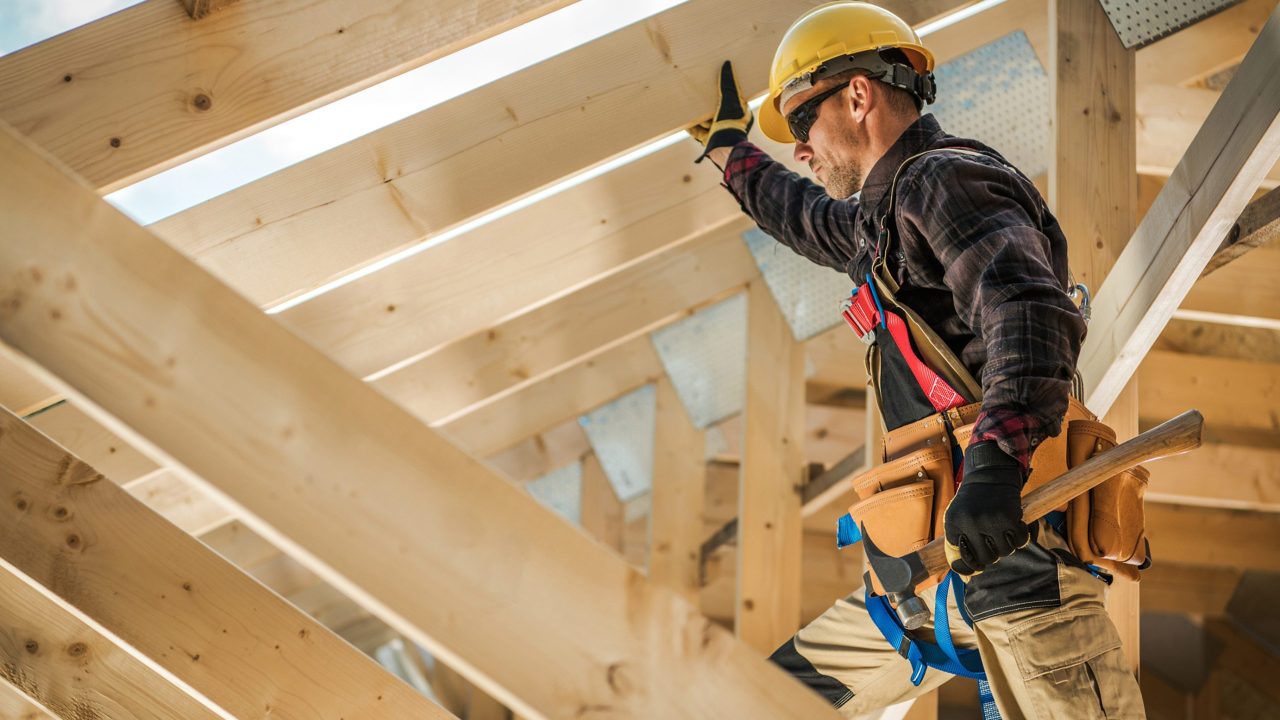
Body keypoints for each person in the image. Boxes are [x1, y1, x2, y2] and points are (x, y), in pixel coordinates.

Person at [689, 3, 1146, 718]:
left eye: (801, 124)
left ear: (859, 96)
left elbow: (1027, 311)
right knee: (755, 702)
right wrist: (731, 153)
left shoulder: (943, 182)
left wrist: (995, 467)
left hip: (1022, 581)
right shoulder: (882, 221)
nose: (800, 150)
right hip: (928, 586)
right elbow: (803, 216)